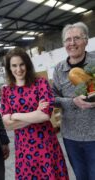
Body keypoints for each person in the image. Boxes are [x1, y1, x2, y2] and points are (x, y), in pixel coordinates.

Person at [0, 47, 69, 180]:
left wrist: (15, 115)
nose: (18, 69)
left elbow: (45, 115)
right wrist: (35, 114)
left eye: (22, 64)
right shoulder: (7, 91)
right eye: (14, 65)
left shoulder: (40, 83)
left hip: (46, 145)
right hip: (24, 149)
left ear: (27, 64)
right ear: (9, 68)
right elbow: (7, 125)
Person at [52, 22, 95, 180]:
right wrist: (72, 101)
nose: (72, 43)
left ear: (86, 40)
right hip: (71, 137)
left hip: (94, 135)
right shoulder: (59, 69)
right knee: (81, 176)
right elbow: (53, 98)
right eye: (68, 40)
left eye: (76, 38)